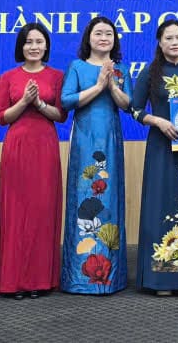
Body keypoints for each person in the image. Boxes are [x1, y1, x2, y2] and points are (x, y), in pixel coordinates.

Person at [131, 19, 178, 295]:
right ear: (159, 42)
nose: (174, 43)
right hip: (160, 148)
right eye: (169, 38)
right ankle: (159, 280)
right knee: (159, 207)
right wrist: (158, 121)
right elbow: (135, 109)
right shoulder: (149, 73)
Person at [0, 22, 65, 299]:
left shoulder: (57, 76)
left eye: (39, 42)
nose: (34, 47)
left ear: (46, 46)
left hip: (45, 146)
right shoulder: (8, 77)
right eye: (28, 42)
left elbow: (61, 115)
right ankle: (13, 281)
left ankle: (39, 280)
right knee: (15, 212)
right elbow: (1, 117)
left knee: (42, 211)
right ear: (20, 46)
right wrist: (24, 101)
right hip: (17, 147)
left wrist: (40, 104)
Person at [60, 17, 131, 294]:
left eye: (108, 34)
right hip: (84, 140)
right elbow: (66, 101)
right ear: (88, 38)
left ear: (115, 40)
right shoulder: (77, 67)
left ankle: (111, 277)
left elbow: (128, 104)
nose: (103, 38)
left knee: (109, 198)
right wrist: (98, 86)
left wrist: (111, 86)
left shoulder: (120, 69)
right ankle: (79, 277)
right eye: (98, 33)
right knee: (83, 196)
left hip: (110, 140)